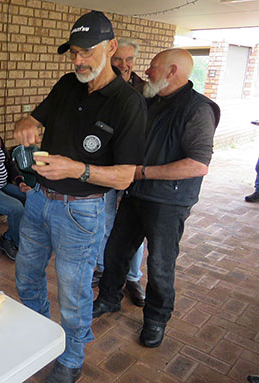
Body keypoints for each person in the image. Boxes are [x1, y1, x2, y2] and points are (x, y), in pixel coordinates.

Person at [13, 11, 146, 383]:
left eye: (87, 52)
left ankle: (71, 359)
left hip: (82, 211)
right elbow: (34, 119)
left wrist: (77, 169)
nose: (78, 60)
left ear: (111, 47)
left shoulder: (128, 103)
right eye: (74, 52)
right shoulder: (67, 84)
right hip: (39, 198)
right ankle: (40, 338)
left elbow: (124, 176)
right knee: (26, 277)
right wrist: (27, 121)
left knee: (72, 293)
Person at [93, 48, 220, 349]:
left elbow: (198, 164)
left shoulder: (198, 109)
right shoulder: (150, 99)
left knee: (161, 264)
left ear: (172, 71)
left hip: (168, 202)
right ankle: (109, 299)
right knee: (116, 251)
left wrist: (142, 173)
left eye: (152, 66)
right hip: (136, 193)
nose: (147, 71)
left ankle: (156, 319)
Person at [92, 37, 148, 307]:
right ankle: (103, 267)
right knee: (105, 223)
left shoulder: (146, 91)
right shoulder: (100, 87)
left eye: (129, 60)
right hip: (105, 170)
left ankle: (133, 277)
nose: (124, 65)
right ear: (109, 59)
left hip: (134, 171)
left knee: (133, 229)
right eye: (118, 60)